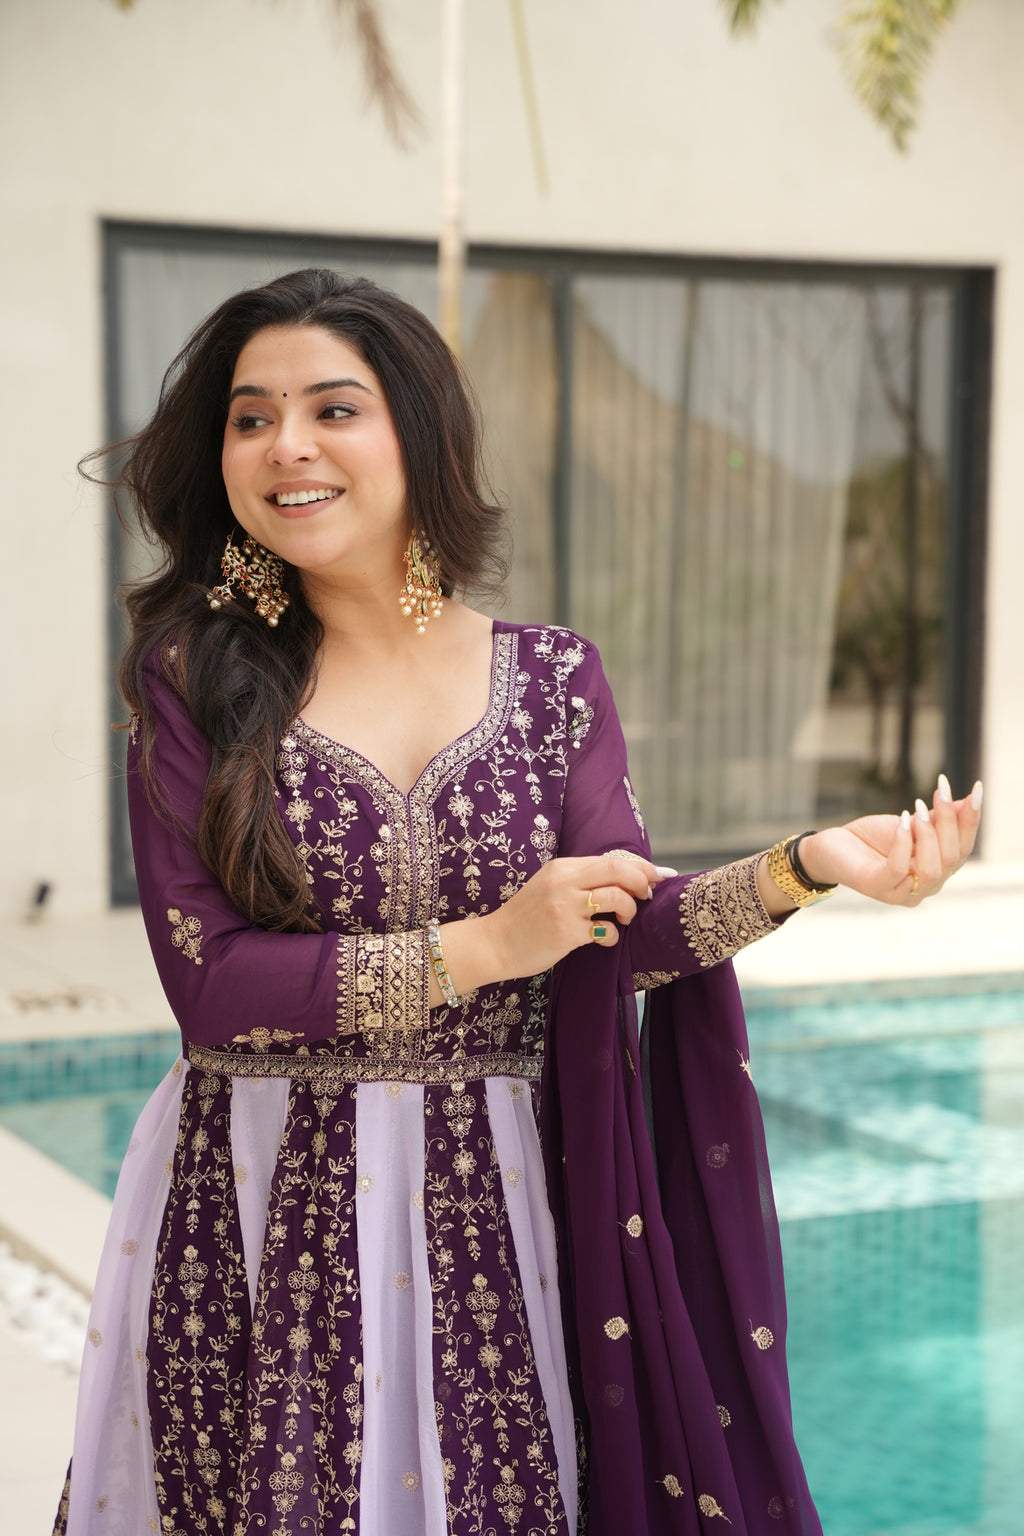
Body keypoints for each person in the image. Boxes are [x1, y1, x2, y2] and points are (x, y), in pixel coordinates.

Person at [54, 268, 980, 1536]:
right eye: (250, 417)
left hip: (503, 1204)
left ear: (416, 436)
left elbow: (625, 924)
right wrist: (488, 944)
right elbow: (210, 984)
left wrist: (808, 863)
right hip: (267, 1196)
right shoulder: (191, 682)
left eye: (334, 408)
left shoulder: (547, 678)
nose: (288, 449)